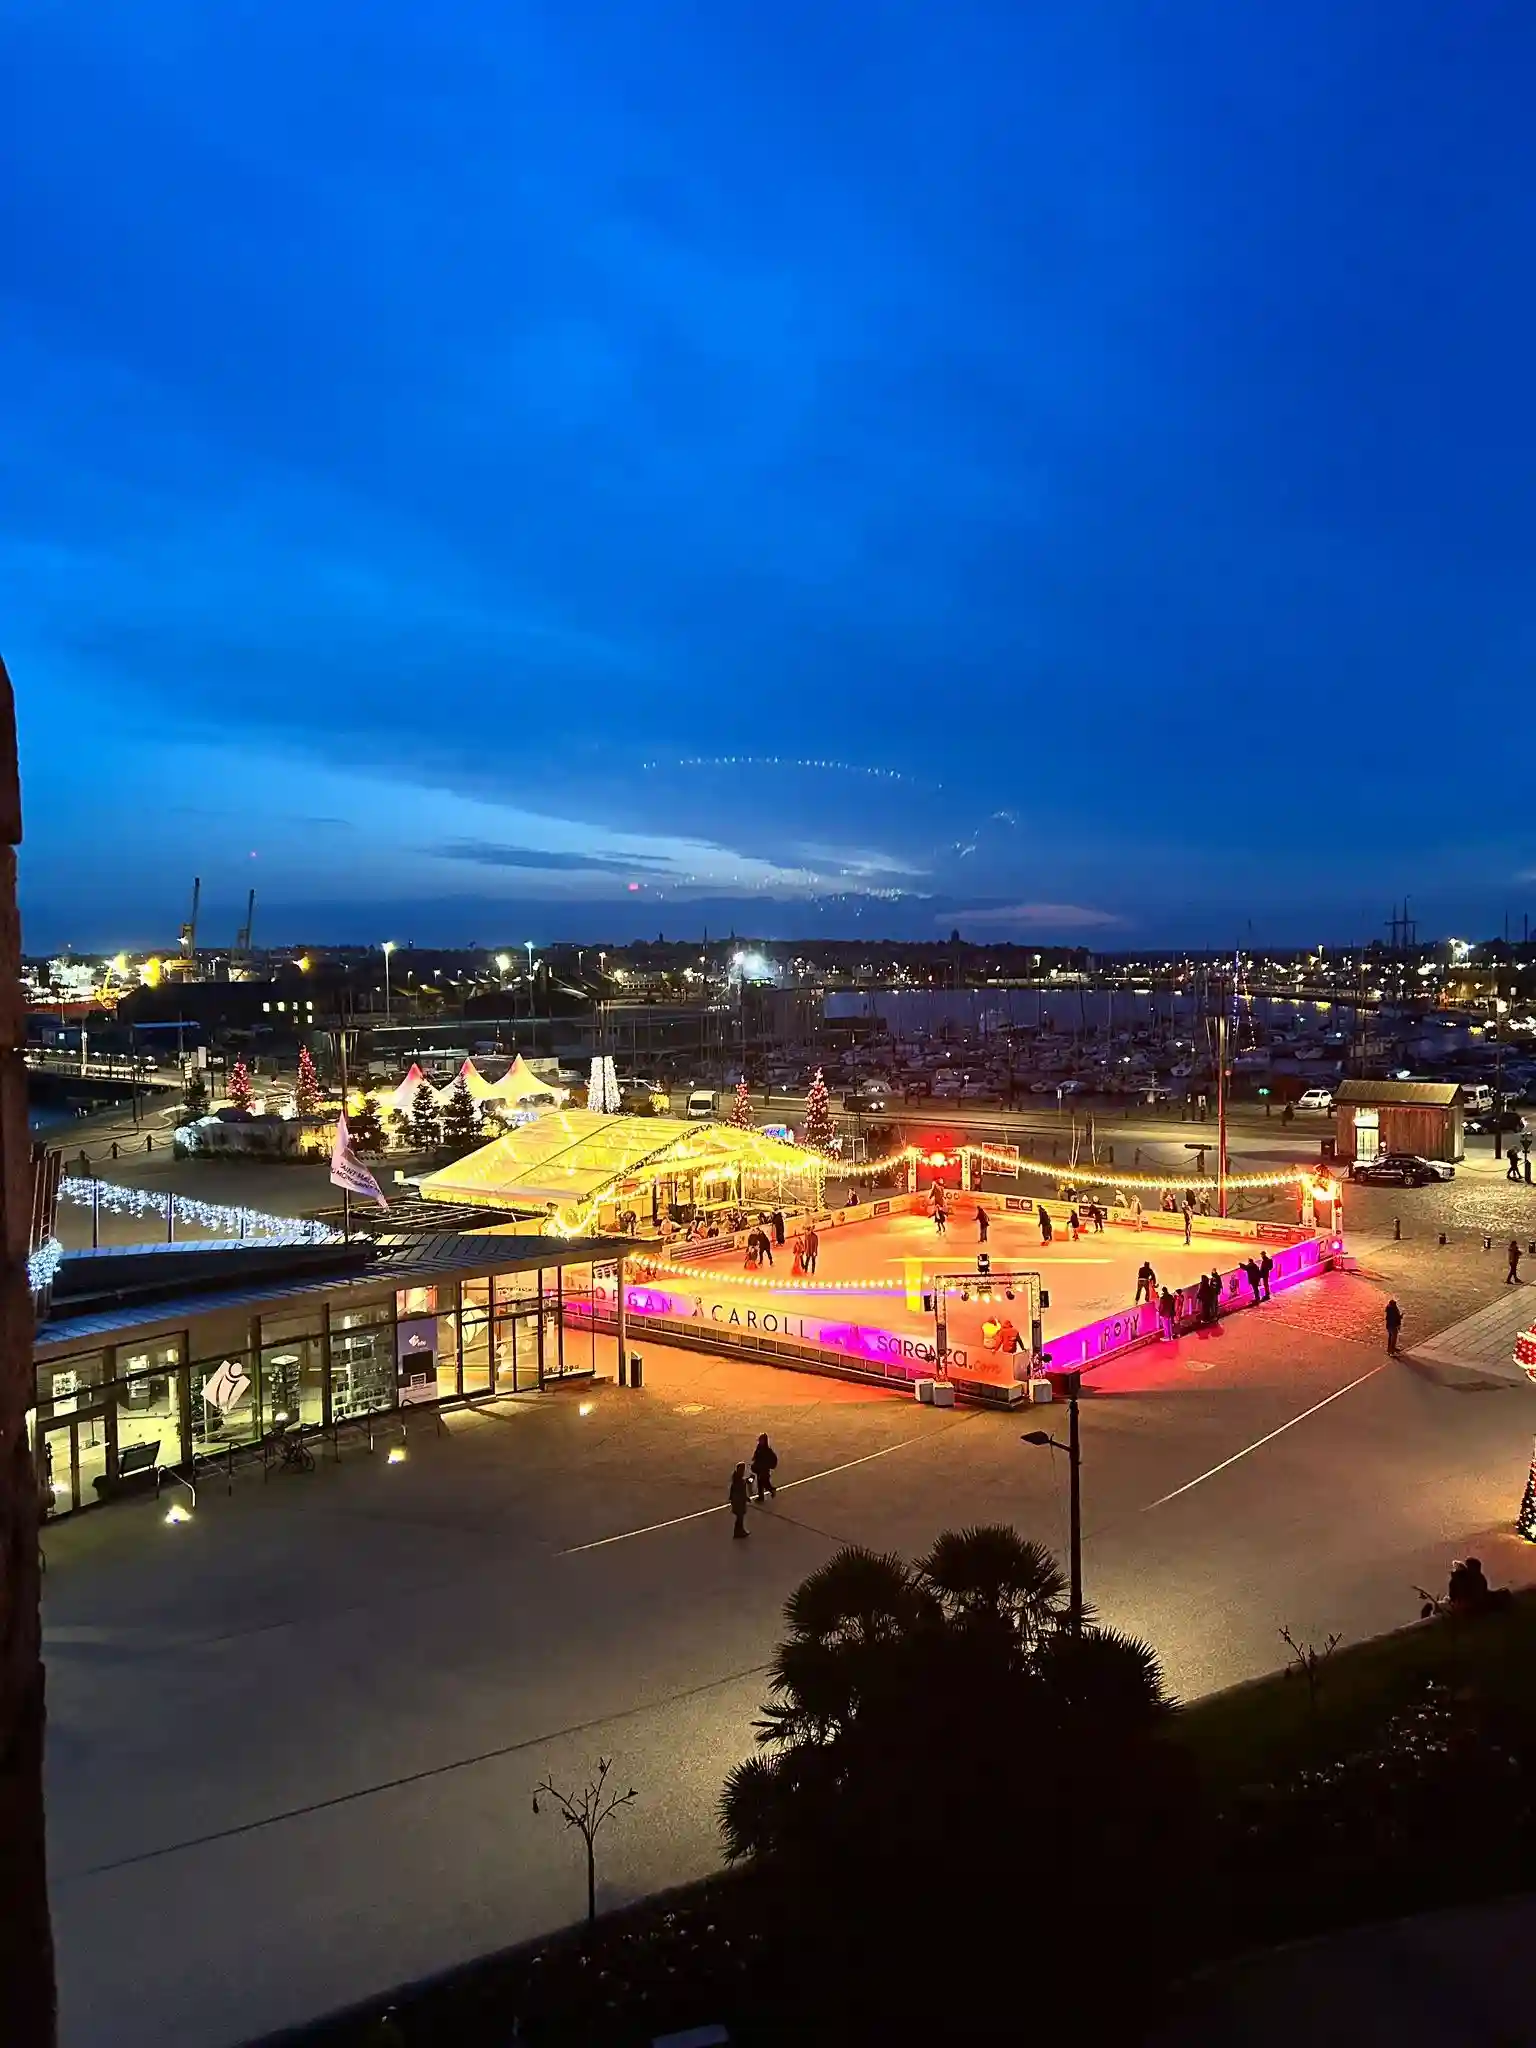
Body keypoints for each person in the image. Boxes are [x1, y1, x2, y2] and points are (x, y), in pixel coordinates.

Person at [751, 1433, 779, 1502]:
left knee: (765, 1483)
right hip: (759, 1469)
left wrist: (768, 1466)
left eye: (761, 1440)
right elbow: (756, 1454)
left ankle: (771, 1490)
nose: (760, 1442)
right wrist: (754, 1458)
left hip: (764, 1470)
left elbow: (773, 1459)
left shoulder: (768, 1450)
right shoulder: (759, 1447)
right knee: (760, 1484)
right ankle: (761, 1497)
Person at [729, 1463, 751, 1539]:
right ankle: (739, 1532)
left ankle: (738, 1531)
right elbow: (742, 1490)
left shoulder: (737, 1479)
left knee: (739, 1518)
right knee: (740, 1518)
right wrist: (746, 1498)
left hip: (737, 1501)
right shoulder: (739, 1481)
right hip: (739, 1502)